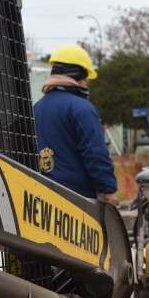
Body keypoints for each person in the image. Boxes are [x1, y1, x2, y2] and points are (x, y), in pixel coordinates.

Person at [34, 44, 117, 204]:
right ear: (77, 75)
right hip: (76, 201)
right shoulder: (81, 108)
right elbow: (94, 153)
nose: (86, 84)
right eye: (85, 79)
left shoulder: (37, 107)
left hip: (42, 198)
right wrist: (108, 188)